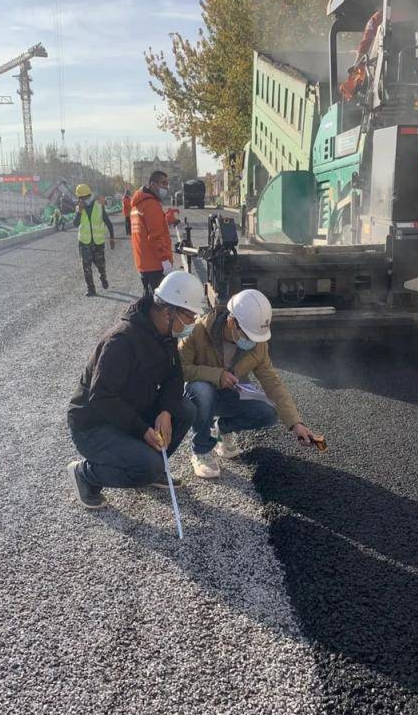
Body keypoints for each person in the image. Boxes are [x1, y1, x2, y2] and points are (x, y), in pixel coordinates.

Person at [66, 271, 207, 509]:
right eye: (189, 316)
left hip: (131, 410)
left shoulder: (165, 334)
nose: (192, 323)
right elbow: (101, 397)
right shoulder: (122, 341)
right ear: (168, 312)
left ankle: (152, 468)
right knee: (147, 466)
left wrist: (165, 411)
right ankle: (85, 474)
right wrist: (142, 430)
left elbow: (174, 376)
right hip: (95, 425)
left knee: (185, 410)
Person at [180, 289, 319, 479]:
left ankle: (219, 431)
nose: (252, 342)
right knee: (203, 391)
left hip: (229, 393)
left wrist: (296, 424)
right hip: (200, 395)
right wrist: (217, 375)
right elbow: (180, 368)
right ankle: (201, 450)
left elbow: (272, 382)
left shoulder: (258, 345)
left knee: (268, 412)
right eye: (248, 336)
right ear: (231, 322)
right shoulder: (198, 331)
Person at [130, 170, 174, 295]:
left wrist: (165, 220)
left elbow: (145, 230)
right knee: (157, 302)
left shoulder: (137, 205)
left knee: (148, 298)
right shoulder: (151, 205)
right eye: (163, 183)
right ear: (153, 184)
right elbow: (155, 236)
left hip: (143, 263)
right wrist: (165, 260)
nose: (166, 187)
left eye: (167, 183)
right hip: (155, 264)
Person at [73, 183, 115, 297]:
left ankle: (103, 277)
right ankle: (91, 289)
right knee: (86, 267)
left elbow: (108, 222)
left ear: (88, 196)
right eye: (81, 198)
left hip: (98, 242)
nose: (82, 200)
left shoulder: (98, 206)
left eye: (84, 197)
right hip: (84, 242)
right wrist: (79, 212)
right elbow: (75, 224)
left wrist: (112, 237)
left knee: (101, 265)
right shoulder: (79, 208)